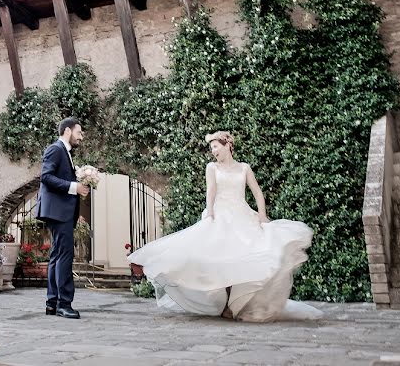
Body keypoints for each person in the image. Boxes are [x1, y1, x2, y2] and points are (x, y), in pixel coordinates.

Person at [127, 131, 321, 322]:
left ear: (227, 144)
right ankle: (227, 304)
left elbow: (257, 193)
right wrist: (209, 212)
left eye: (215, 147)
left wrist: (262, 216)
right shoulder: (212, 168)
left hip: (243, 216)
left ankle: (236, 305)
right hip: (221, 215)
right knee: (219, 258)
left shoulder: (244, 168)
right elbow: (211, 191)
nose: (213, 151)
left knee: (248, 257)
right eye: (211, 148)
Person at [35, 117, 89, 319]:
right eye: (79, 132)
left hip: (60, 211)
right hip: (59, 212)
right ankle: (63, 304)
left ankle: (52, 304)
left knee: (57, 256)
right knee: (64, 257)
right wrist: (74, 187)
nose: (80, 137)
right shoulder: (56, 149)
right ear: (68, 131)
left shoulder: (66, 153)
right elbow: (46, 177)